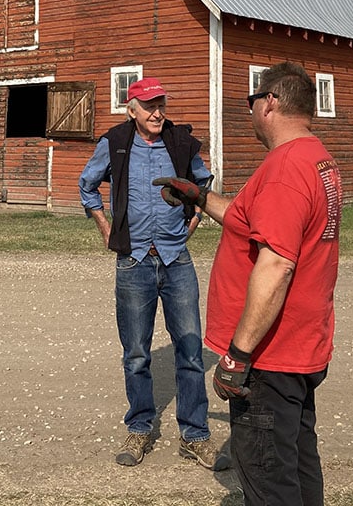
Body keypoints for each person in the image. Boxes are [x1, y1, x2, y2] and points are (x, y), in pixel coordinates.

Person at [154, 62, 342, 505]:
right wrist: (199, 196)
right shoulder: (316, 159)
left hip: (270, 357)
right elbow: (251, 220)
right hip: (301, 347)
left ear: (270, 102)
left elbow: (276, 265)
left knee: (269, 480)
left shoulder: (285, 170)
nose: (251, 109)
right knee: (296, 464)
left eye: (251, 101)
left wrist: (238, 355)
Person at [78, 76, 229, 471]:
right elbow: (87, 185)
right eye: (148, 106)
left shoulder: (180, 142)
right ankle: (140, 427)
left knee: (191, 351)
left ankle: (195, 436)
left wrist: (193, 222)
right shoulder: (114, 142)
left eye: (160, 103)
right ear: (132, 110)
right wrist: (105, 228)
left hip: (176, 259)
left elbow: (202, 184)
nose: (157, 112)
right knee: (137, 353)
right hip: (134, 262)